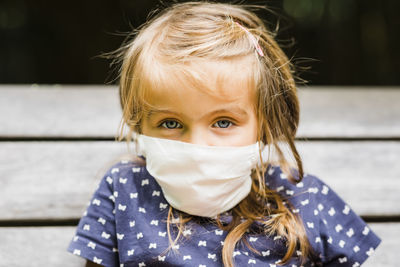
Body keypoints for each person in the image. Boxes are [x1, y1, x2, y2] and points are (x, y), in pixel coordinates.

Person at [67, 2, 381, 266]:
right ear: (139, 124)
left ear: (265, 123)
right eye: (171, 123)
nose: (198, 147)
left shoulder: (304, 199)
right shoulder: (124, 189)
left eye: (223, 122)